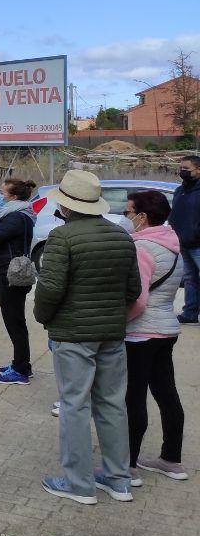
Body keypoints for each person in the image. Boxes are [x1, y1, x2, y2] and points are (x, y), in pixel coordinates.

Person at [33, 169, 139, 506]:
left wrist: (43, 317)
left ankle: (79, 483)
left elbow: (49, 289)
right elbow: (133, 289)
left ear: (65, 207)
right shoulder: (121, 236)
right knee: (111, 404)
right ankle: (118, 478)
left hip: (74, 333)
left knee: (75, 405)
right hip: (111, 332)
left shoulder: (62, 239)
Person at [123, 189, 188, 481]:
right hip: (166, 328)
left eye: (129, 213)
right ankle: (171, 459)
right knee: (166, 393)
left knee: (133, 398)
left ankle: (128, 465)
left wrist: (120, 321)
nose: (127, 218)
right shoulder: (173, 244)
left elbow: (138, 298)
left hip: (141, 332)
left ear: (143, 217)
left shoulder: (142, 248)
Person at [0, 177, 37, 385]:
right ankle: (21, 364)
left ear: (13, 197)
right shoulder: (20, 214)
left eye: (3, 193)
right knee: (16, 321)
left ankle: (20, 370)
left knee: (14, 321)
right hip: (11, 272)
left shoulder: (15, 217)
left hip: (10, 275)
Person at [174, 155, 200, 324]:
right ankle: (190, 313)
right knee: (190, 279)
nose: (182, 172)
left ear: (198, 170)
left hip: (198, 243)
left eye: (186, 169)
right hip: (183, 243)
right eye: (181, 168)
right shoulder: (180, 190)